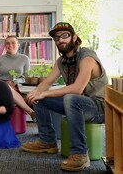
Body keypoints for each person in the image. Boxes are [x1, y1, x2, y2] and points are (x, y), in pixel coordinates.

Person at [22, 22, 108, 172]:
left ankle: (80, 153)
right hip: (76, 105)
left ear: (74, 38)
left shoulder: (87, 57)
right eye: (57, 38)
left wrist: (44, 93)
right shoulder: (61, 62)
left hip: (98, 108)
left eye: (65, 36)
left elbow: (77, 88)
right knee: (40, 98)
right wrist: (35, 93)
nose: (60, 40)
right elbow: (47, 82)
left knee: (70, 97)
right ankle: (47, 141)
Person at [0, 35, 36, 122]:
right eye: (7, 43)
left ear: (18, 44)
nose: (10, 45)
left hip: (18, 86)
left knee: (9, 94)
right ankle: (30, 112)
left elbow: (27, 78)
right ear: (4, 46)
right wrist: (5, 84)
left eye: (13, 43)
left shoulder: (24, 59)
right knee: (6, 88)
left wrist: (14, 82)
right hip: (1, 85)